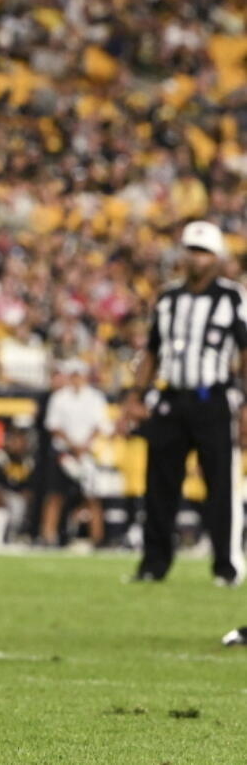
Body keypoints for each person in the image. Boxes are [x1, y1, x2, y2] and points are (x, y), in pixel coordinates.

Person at [125, 221, 247, 585]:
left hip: (213, 399)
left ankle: (226, 566)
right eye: (191, 250)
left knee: (220, 485)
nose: (195, 258)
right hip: (171, 399)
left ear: (217, 257)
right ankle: (153, 565)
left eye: (203, 251)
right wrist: (135, 395)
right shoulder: (168, 299)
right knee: (159, 485)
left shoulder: (232, 297)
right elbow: (151, 351)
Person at [41, 359, 111, 546]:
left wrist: (84, 446)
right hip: (64, 454)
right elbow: (53, 426)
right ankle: (48, 536)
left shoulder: (95, 397)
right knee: (55, 495)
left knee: (92, 497)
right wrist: (73, 445)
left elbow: (100, 426)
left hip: (87, 455)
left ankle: (97, 538)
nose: (76, 379)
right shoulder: (59, 397)